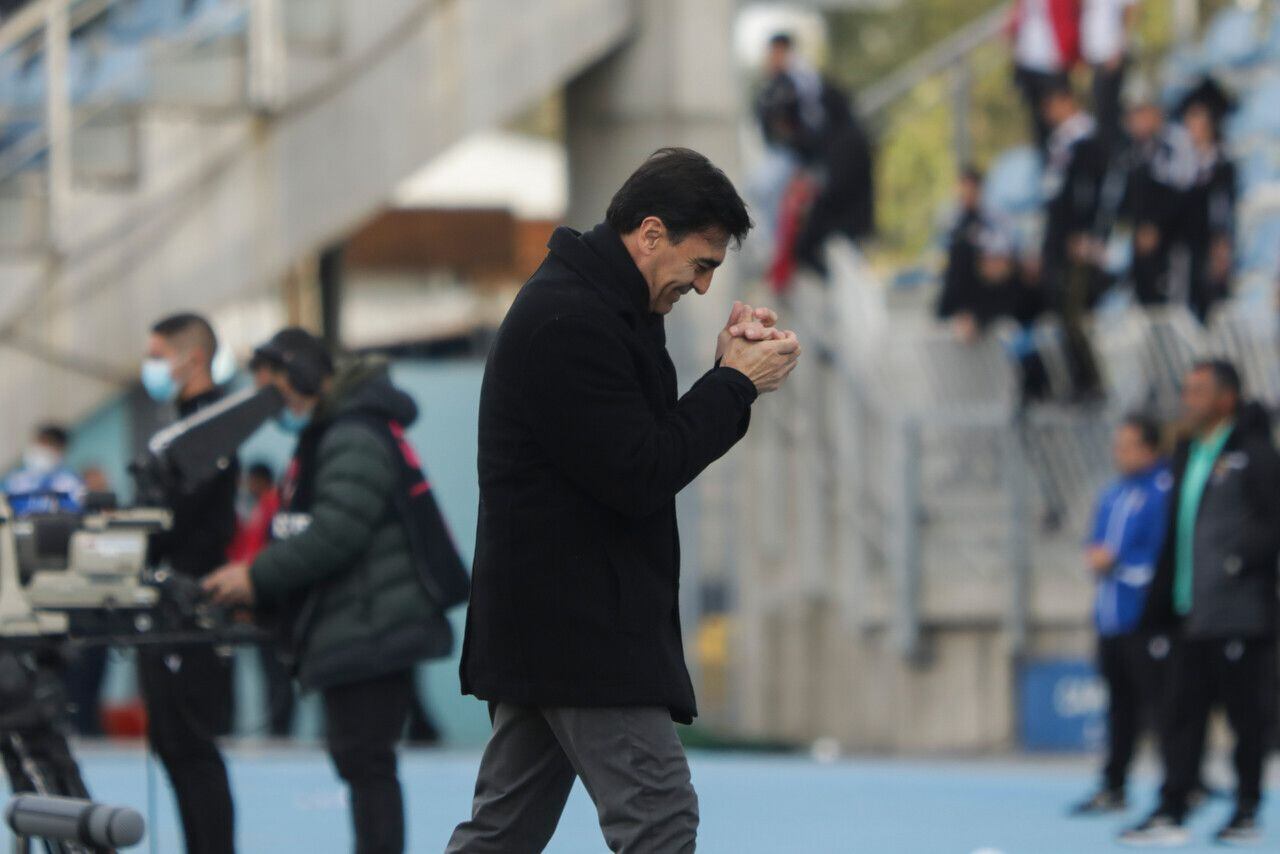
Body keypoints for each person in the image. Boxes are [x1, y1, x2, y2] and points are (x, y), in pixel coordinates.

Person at [447, 147, 801, 853]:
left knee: (501, 836)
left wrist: (726, 370)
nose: (703, 288)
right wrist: (734, 385)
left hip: (550, 624)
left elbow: (640, 444)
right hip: (581, 632)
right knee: (660, 821)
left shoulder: (595, 306)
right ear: (649, 234)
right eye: (700, 264)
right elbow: (641, 470)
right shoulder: (572, 318)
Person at [204, 327, 458, 854]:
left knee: (367, 765)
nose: (266, 406)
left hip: (372, 627)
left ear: (297, 377)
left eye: (269, 390)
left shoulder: (351, 434)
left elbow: (337, 530)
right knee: (362, 763)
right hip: (359, 624)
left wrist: (256, 577)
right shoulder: (332, 433)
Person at [1120, 361, 1280, 847]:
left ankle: (1247, 808)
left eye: (1198, 391)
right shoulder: (1188, 452)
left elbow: (1273, 524)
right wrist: (1160, 601)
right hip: (1189, 612)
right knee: (1179, 713)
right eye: (1186, 390)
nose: (1188, 400)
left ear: (1226, 398)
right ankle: (1174, 805)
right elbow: (1178, 531)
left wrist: (1236, 564)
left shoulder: (1254, 454)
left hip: (1239, 613)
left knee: (1244, 717)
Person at [139, 312, 239, 854]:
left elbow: (179, 516)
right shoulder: (180, 425)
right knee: (172, 745)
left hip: (190, 601)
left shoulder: (213, 428)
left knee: (192, 747)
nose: (151, 367)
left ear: (192, 357)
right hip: (163, 603)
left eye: (158, 354)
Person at [1070, 414, 1173, 815]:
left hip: (1146, 619)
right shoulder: (1111, 495)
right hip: (1110, 619)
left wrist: (1117, 562)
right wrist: (1096, 558)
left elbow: (1162, 557)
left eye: (1127, 446)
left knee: (1164, 707)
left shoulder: (1163, 492)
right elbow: (1094, 545)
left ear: (1149, 448)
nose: (1120, 454)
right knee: (1119, 707)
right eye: (1117, 446)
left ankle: (1181, 786)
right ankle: (1114, 786)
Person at [1039, 79, 1108, 400]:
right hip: (1059, 237)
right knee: (1060, 308)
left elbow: (1088, 191)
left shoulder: (1086, 141)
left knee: (1075, 308)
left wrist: (1083, 231)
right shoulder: (1060, 142)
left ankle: (1090, 380)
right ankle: (1074, 379)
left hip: (1075, 241)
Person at [226, 462, 295, 739]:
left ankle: (280, 729)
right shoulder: (260, 508)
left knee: (277, 670)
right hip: (260, 596)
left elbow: (260, 555)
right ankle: (277, 728)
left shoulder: (273, 506)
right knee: (272, 671)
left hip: (269, 598)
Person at [1115, 80, 1196, 306]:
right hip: (1143, 244)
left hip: (1175, 240)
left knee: (1172, 307)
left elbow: (1182, 191)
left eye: (1140, 112)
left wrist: (1156, 225)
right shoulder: (1132, 152)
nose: (1134, 122)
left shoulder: (1176, 141)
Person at [1173, 80, 1237, 322]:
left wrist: (1221, 243)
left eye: (1196, 118)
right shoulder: (1183, 165)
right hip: (1186, 250)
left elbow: (1222, 207)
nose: (1190, 126)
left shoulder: (1222, 164)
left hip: (1209, 247)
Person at [1009, 0, 1081, 151]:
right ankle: (1044, 155)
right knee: (1038, 118)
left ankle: (1067, 154)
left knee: (1059, 115)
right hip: (1029, 60)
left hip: (1052, 60)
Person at [1082, 0, 1138, 156]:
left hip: (1111, 56)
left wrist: (1118, 47)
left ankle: (1118, 156)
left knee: (1110, 112)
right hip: (1096, 57)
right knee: (1099, 111)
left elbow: (1130, 9)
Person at [3, 423, 83, 514]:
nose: (40, 449)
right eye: (39, 443)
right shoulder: (15, 479)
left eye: (47, 444)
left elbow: (76, 510)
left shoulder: (71, 482)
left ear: (61, 449)